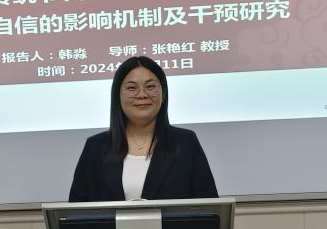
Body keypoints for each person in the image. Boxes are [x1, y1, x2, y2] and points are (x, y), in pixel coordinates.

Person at [69, 56, 218, 202]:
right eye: (132, 88)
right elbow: (75, 211)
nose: (142, 94)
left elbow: (209, 207)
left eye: (150, 86)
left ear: (163, 94)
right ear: (117, 95)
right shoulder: (95, 147)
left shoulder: (186, 142)